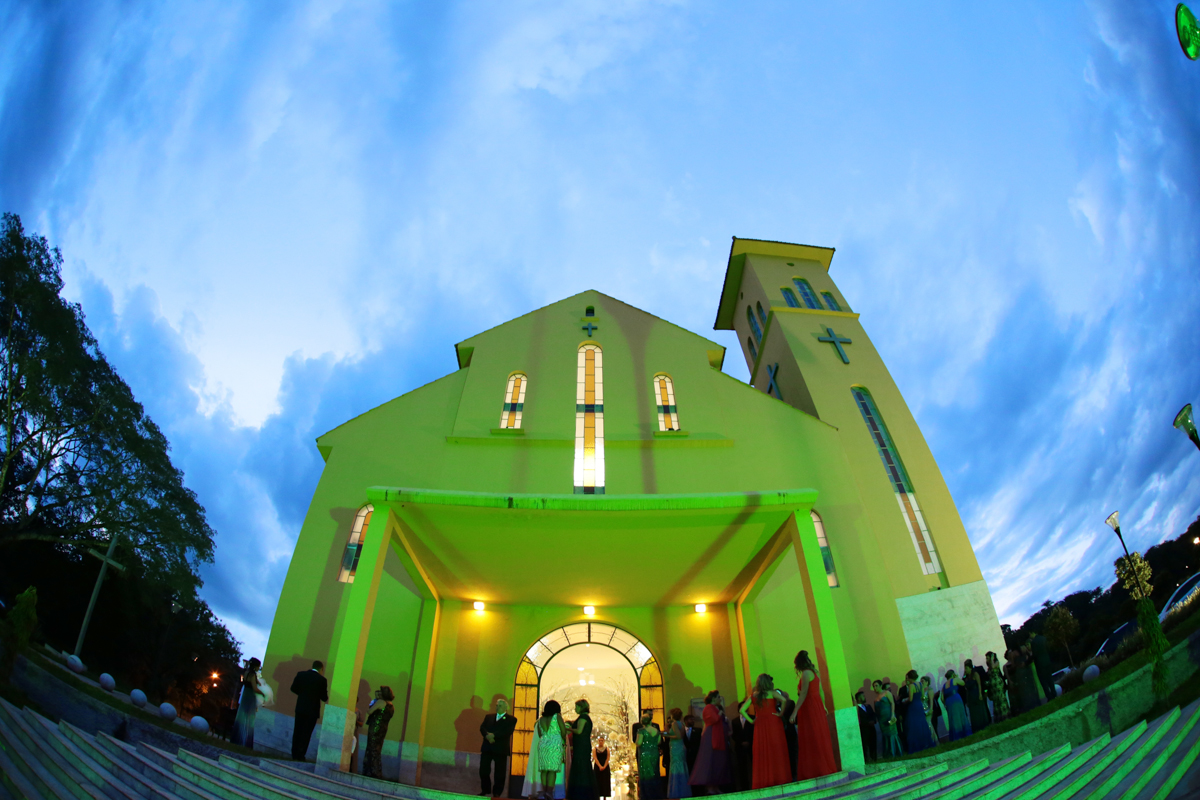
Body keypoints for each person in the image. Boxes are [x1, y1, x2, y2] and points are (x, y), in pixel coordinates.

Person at [790, 651, 837, 779]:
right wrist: (824, 706)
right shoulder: (814, 673)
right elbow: (820, 691)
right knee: (819, 736)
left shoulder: (805, 674)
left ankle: (816, 769)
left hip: (809, 707)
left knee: (812, 738)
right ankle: (823, 767)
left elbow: (804, 693)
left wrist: (794, 712)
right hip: (816, 706)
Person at [744, 674, 790, 790]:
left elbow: (742, 710)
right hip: (774, 722)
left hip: (760, 724)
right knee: (777, 749)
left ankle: (764, 780)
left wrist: (752, 720)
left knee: (763, 750)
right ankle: (780, 777)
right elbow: (784, 700)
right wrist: (780, 714)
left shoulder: (754, 695)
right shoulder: (773, 693)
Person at [688, 691, 732, 793]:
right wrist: (720, 713)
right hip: (711, 737)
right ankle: (710, 787)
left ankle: (715, 786)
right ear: (713, 698)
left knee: (717, 762)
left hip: (718, 737)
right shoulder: (708, 708)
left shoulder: (715, 708)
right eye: (718, 697)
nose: (719, 699)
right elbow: (713, 719)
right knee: (710, 761)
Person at [289, 660, 328, 762]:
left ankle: (294, 754)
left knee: (297, 731)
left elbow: (293, 688)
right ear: (321, 669)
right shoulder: (322, 680)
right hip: (312, 711)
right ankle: (301, 755)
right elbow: (324, 697)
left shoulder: (301, 675)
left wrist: (303, 694)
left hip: (300, 707)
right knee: (306, 734)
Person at [480, 698, 520, 797]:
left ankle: (497, 792)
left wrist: (494, 735)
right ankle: (485, 789)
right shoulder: (489, 717)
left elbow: (507, 731)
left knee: (500, 773)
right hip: (487, 747)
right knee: (483, 770)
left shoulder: (512, 719)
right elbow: (482, 728)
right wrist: (487, 736)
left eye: (500, 706)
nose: (497, 707)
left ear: (506, 708)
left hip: (501, 749)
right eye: (497, 705)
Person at [534, 701, 567, 800]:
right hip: (555, 744)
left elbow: (540, 734)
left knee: (544, 770)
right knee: (552, 770)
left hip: (543, 744)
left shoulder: (540, 720)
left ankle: (543, 792)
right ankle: (549, 792)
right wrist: (563, 742)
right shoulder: (557, 717)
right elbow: (563, 731)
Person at [231, 657, 265, 748]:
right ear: (256, 666)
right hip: (250, 696)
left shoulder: (246, 672)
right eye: (258, 666)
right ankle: (244, 742)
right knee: (249, 718)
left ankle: (236, 739)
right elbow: (255, 688)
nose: (259, 667)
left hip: (245, 695)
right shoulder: (253, 674)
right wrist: (263, 694)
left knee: (242, 716)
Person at [363, 686, 395, 778]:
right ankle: (376, 771)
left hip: (375, 728)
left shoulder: (381, 702)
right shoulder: (391, 705)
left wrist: (372, 704)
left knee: (371, 748)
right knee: (377, 750)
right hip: (383, 729)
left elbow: (369, 711)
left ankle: (371, 771)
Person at [568, 700, 595, 800]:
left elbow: (579, 731)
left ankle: (581, 791)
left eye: (577, 707)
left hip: (581, 746)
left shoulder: (583, 717)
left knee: (581, 767)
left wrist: (569, 729)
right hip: (583, 745)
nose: (575, 709)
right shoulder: (586, 717)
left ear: (581, 707)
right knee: (583, 766)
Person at [901, 671, 934, 754]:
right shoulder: (920, 684)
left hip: (913, 706)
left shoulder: (911, 686)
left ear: (909, 677)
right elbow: (922, 696)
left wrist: (904, 701)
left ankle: (916, 745)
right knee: (921, 723)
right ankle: (925, 743)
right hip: (919, 705)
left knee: (913, 725)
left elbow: (910, 699)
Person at [663, 708, 691, 798]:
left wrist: (665, 734)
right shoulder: (681, 724)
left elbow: (678, 736)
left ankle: (676, 791)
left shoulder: (674, 723)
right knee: (681, 766)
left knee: (675, 767)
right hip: (681, 747)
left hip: (676, 748)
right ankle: (683, 789)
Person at [636, 711, 663, 800]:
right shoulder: (656, 730)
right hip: (654, 753)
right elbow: (659, 741)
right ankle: (656, 794)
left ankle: (647, 795)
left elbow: (639, 743)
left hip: (645, 754)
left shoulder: (641, 731)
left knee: (646, 774)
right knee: (654, 772)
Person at [872, 681, 900, 758]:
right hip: (882, 720)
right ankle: (888, 753)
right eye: (874, 686)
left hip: (889, 716)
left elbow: (892, 703)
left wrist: (893, 714)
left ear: (881, 686)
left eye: (876, 685)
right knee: (885, 735)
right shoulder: (875, 699)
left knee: (892, 734)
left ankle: (895, 752)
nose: (875, 688)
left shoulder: (887, 693)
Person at [729, 702, 753, 792]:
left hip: (751, 745)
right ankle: (744, 787)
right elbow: (734, 734)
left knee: (754, 765)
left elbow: (754, 732)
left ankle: (756, 784)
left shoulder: (752, 717)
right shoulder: (734, 721)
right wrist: (741, 742)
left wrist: (749, 742)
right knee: (741, 767)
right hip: (740, 746)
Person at [941, 670, 969, 741]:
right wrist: (957, 677)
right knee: (960, 715)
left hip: (948, 702)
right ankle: (964, 733)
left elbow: (942, 698)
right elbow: (963, 683)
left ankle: (956, 735)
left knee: (952, 718)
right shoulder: (954, 680)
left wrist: (945, 704)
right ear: (953, 674)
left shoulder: (944, 685)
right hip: (956, 699)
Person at [962, 660, 989, 733]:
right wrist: (964, 675)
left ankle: (983, 726)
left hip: (976, 693)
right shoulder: (966, 677)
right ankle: (976, 728)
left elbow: (979, 684)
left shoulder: (975, 674)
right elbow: (964, 684)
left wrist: (980, 694)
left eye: (967, 668)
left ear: (970, 668)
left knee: (979, 710)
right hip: (970, 696)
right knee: (973, 713)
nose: (966, 670)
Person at [1030, 633, 1055, 705]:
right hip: (1047, 661)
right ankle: (1054, 693)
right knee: (1050, 678)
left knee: (1043, 681)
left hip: (1040, 664)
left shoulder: (1033, 642)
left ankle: (1049, 696)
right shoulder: (1043, 638)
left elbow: (1035, 654)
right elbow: (1048, 648)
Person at [985, 652, 1009, 722]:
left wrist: (992, 658)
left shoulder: (996, 663)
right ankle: (1000, 718)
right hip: (993, 687)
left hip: (998, 684)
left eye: (988, 658)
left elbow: (993, 667)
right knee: (996, 702)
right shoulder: (989, 667)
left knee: (1001, 701)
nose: (987, 660)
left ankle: (1006, 716)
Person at [779, 691, 798, 780]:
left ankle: (794, 774)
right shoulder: (776, 706)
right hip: (780, 734)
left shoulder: (790, 703)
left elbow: (785, 714)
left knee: (792, 753)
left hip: (790, 732)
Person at [855, 691, 877, 762]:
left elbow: (873, 714)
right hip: (864, 729)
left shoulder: (868, 706)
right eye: (863, 696)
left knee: (873, 743)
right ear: (858, 698)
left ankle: (874, 758)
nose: (865, 697)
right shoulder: (856, 709)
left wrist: (873, 721)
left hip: (872, 728)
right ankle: (867, 759)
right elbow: (859, 719)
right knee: (866, 744)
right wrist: (867, 722)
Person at [593, 735, 612, 800]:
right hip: (597, 767)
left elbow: (608, 758)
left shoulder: (607, 749)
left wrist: (604, 766)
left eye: (602, 741)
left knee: (605, 781)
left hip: (605, 767)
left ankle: (605, 796)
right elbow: (595, 758)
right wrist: (600, 766)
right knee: (597, 781)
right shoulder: (595, 749)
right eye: (599, 741)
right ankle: (597, 795)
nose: (600, 742)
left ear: (604, 741)